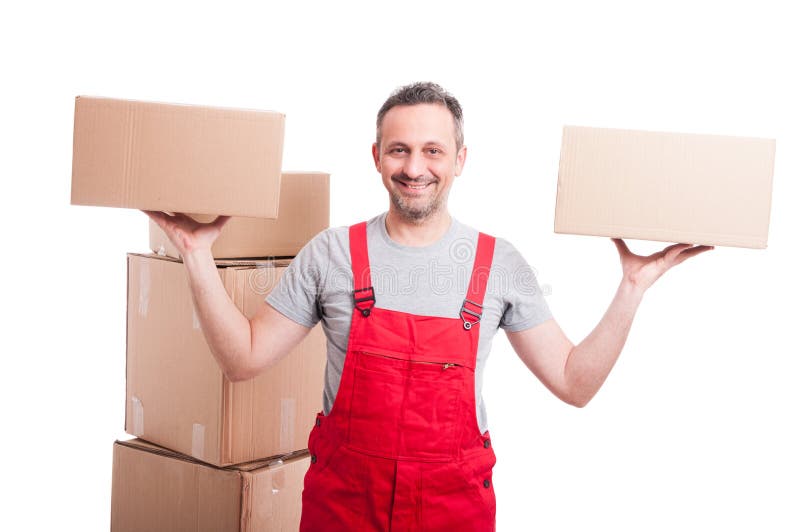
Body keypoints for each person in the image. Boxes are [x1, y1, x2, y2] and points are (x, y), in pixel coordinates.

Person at [144, 82, 713, 531]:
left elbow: (574, 383)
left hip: (452, 513)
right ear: (376, 156)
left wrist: (633, 287)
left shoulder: (499, 265)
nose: (415, 168)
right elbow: (242, 359)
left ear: (460, 159)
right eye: (400, 150)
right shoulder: (331, 254)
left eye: (432, 150)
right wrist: (197, 255)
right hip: (344, 510)